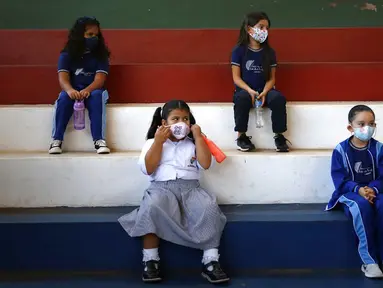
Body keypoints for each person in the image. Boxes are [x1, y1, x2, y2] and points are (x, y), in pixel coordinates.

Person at [118, 100, 229, 284]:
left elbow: (206, 164)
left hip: (191, 189)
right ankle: (150, 260)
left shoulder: (193, 143)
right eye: (175, 118)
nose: (181, 123)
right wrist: (159, 142)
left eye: (185, 119)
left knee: (208, 208)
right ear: (164, 123)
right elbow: (148, 168)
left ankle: (211, 261)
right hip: (161, 189)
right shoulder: (152, 142)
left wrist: (199, 137)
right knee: (151, 207)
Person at [326, 105, 383, 278]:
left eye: (371, 123)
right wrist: (358, 189)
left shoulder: (379, 148)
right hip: (350, 193)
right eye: (361, 123)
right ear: (350, 127)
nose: (367, 127)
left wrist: (372, 189)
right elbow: (340, 181)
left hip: (376, 191)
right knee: (361, 206)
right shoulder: (341, 150)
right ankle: (370, 261)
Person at [49, 16, 111, 154]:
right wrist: (70, 90)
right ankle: (56, 140)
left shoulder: (101, 56)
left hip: (94, 90)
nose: (93, 38)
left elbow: (100, 80)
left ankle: (99, 141)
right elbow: (63, 78)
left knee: (97, 96)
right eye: (89, 34)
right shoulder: (66, 55)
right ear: (79, 35)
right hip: (72, 90)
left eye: (96, 35)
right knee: (63, 98)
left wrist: (87, 90)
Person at [231, 11, 289, 152]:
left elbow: (272, 78)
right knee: (241, 98)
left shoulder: (270, 53)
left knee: (278, 98)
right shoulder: (239, 51)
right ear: (249, 29)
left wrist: (264, 92)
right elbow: (236, 78)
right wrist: (250, 91)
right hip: (245, 91)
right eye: (261, 27)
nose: (264, 31)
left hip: (265, 91)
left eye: (266, 28)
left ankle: (279, 136)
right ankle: (241, 136)